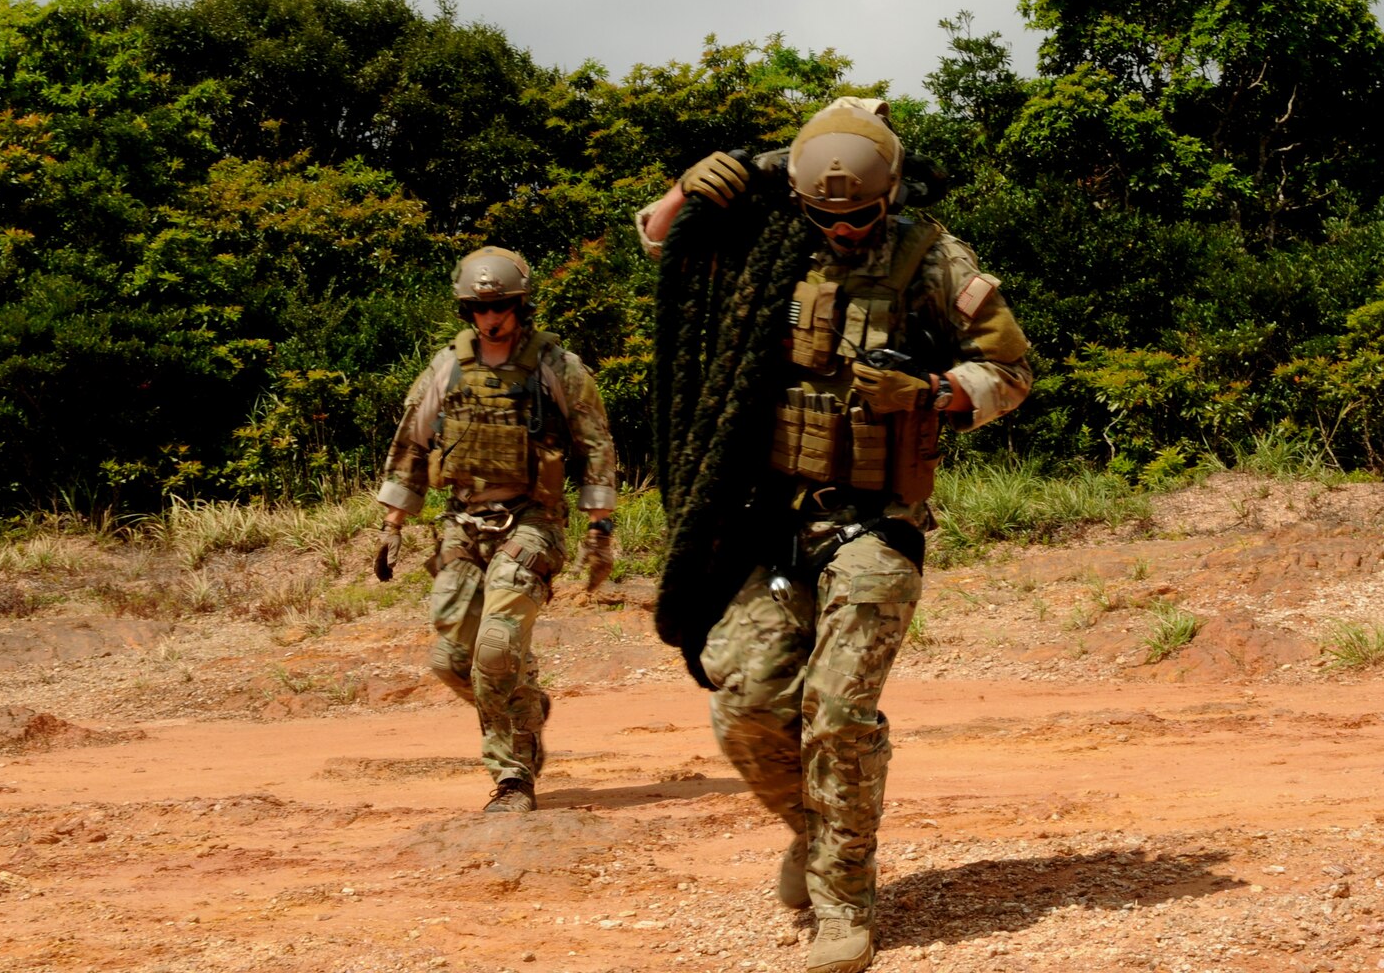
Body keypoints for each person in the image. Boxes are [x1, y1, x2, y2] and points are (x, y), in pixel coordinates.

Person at [640, 99, 1031, 973]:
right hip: (766, 515)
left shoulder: (935, 257)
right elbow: (668, 245)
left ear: (890, 194)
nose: (846, 230)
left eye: (862, 216)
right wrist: (704, 176)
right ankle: (813, 836)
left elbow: (1010, 371)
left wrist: (932, 394)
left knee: (838, 710)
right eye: (829, 216)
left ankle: (843, 899)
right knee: (743, 705)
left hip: (874, 522)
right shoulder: (768, 238)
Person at [373, 245, 619, 813]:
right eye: (478, 309)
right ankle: (526, 708)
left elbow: (596, 445)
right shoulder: (448, 365)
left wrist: (599, 528)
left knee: (497, 647)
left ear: (520, 304)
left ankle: (512, 779)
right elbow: (412, 442)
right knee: (449, 660)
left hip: (532, 522)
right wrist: (393, 523)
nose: (490, 318)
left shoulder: (557, 366)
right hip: (462, 523)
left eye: (501, 305)